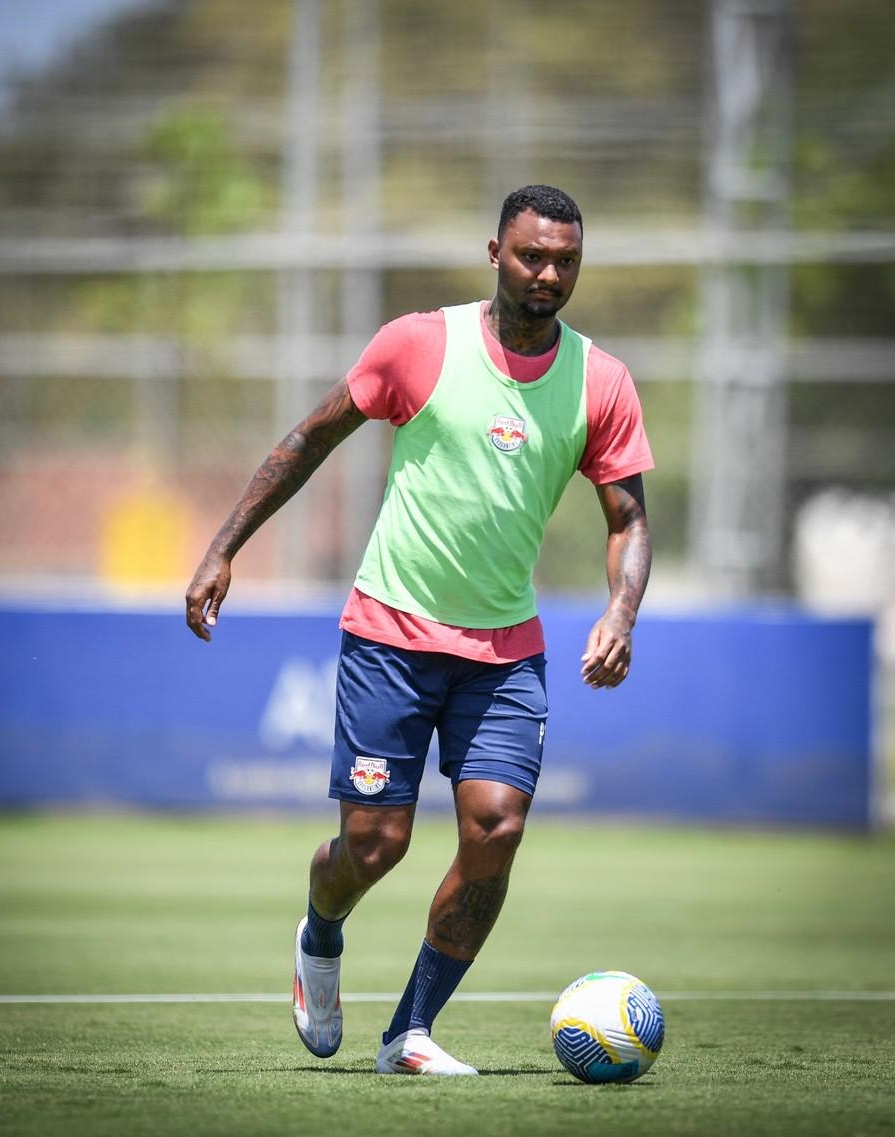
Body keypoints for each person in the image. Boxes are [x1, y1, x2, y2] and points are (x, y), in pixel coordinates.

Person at [185, 184, 653, 1076]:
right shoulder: (418, 344)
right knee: (375, 844)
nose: (549, 273)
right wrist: (223, 548)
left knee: (497, 831)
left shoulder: (602, 380)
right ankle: (320, 934)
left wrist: (620, 611)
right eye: (531, 256)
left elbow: (628, 518)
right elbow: (308, 439)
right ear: (494, 253)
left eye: (566, 260)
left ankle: (409, 1031)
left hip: (505, 650)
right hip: (391, 635)